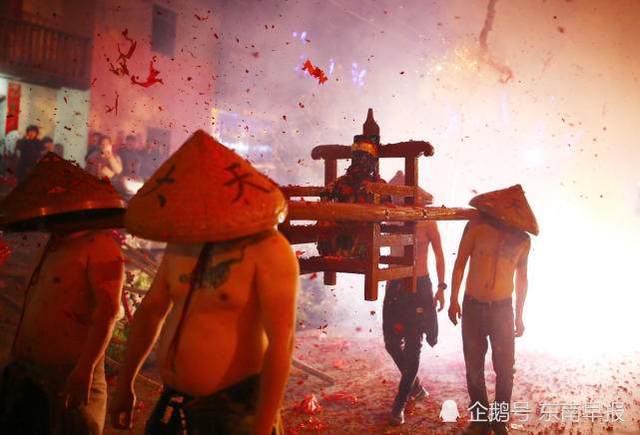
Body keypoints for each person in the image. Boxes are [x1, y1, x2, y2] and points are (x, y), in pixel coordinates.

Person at [112, 130, 298, 434]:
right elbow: (150, 312)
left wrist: (263, 427)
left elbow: (282, 343)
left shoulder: (269, 249)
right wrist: (124, 386)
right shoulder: (182, 242)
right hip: (173, 402)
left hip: (234, 411)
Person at [0, 152, 126, 434]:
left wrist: (85, 369)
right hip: (29, 375)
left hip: (72, 375)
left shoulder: (100, 247)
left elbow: (107, 312)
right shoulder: (51, 246)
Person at [448, 185, 538, 435]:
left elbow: (522, 278)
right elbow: (460, 263)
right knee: (474, 367)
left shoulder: (522, 240)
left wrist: (520, 315)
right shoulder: (477, 227)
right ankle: (480, 421)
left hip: (502, 310)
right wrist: (453, 298)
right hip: (473, 306)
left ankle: (499, 422)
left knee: (505, 370)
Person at [383, 170, 447, 426]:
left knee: (413, 346)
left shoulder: (426, 220)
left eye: (401, 197)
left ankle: (399, 403)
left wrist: (441, 287)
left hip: (419, 286)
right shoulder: (387, 216)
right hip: (394, 284)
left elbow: (439, 253)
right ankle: (415, 385)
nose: (397, 201)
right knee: (390, 343)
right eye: (393, 197)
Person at [318, 108, 388, 258]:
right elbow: (327, 194)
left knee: (365, 228)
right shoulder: (342, 182)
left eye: (364, 157)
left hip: (364, 236)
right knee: (325, 219)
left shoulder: (378, 184)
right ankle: (330, 252)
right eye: (357, 157)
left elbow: (385, 211)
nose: (360, 161)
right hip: (339, 233)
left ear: (371, 161)